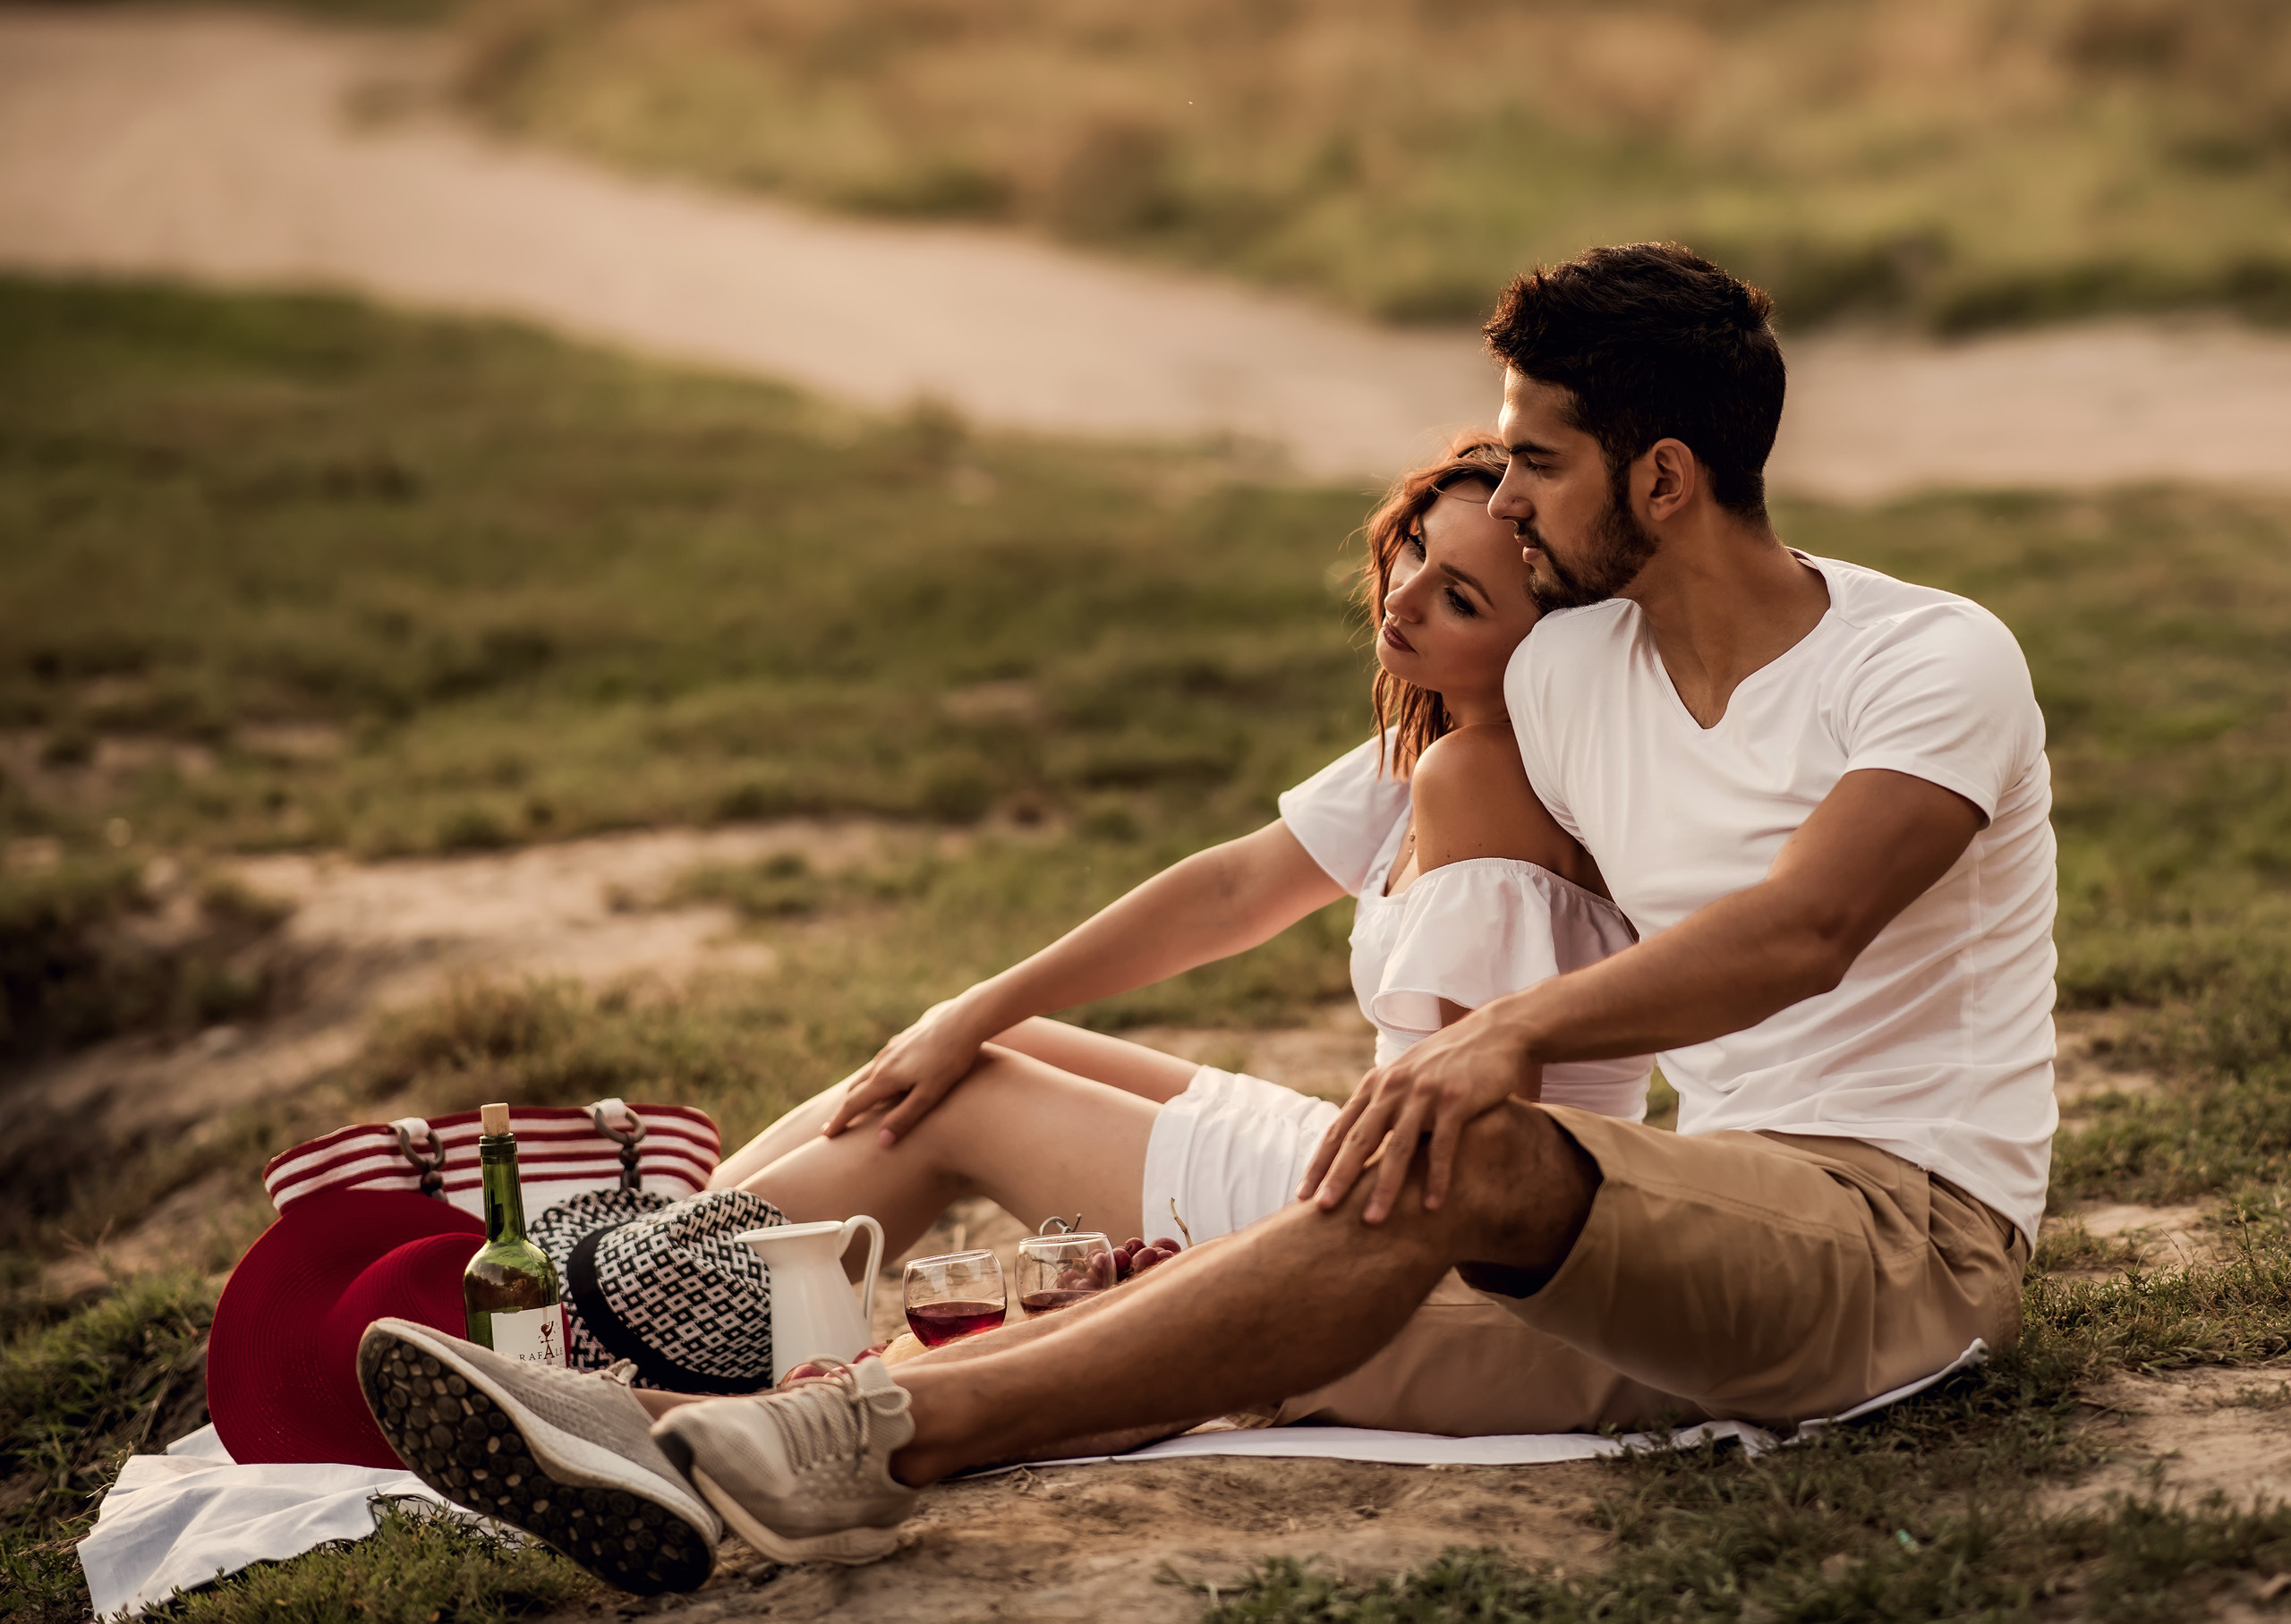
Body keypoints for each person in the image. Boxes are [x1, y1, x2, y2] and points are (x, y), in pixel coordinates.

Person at [359, 242, 2058, 1592]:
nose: (1507, 495)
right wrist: (977, 1003)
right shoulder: (1569, 664)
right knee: (1268, 1256)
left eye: (1538, 459)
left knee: (1435, 1146)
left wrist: (1509, 1033)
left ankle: (835, 1441)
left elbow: (1806, 929)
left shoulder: (1927, 660)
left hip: (1901, 1239)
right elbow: (1268, 866)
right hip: (1662, 1248)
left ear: (1666, 476)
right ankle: (676, 1419)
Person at [694, 430, 1644, 1390]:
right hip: (1354, 1148)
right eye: (1415, 551)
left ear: (1547, 653)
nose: (1401, 596)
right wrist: (970, 1007)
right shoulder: (1441, 742)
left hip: (1396, 1222)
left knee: (963, 1097)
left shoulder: (1481, 772)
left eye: (1460, 598)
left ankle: (654, 1299)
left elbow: (1479, 1146)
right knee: (973, 1042)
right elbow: (1229, 893)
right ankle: (661, 1252)